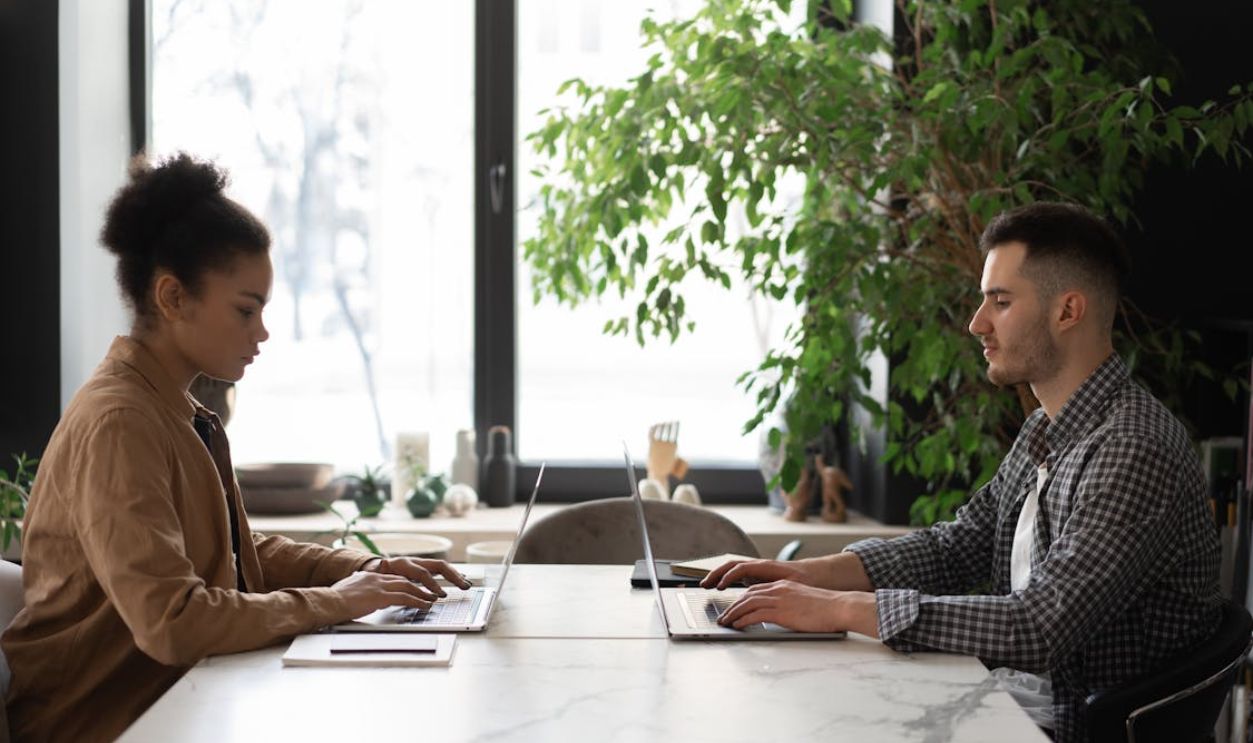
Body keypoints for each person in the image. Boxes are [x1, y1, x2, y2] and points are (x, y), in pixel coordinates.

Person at [702, 202, 1221, 743]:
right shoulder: (1046, 429)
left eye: (1000, 301)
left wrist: (836, 609)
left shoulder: (1133, 448)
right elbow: (956, 547)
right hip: (1011, 706)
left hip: (1069, 730)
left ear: (1067, 311)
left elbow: (1036, 627)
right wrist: (807, 577)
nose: (977, 323)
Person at [1, 153, 471, 742]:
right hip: (105, 727)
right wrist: (336, 602)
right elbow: (172, 622)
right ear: (173, 298)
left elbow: (239, 556)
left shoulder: (173, 410)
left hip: (181, 707)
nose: (262, 332)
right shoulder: (120, 423)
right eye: (246, 309)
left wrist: (366, 571)